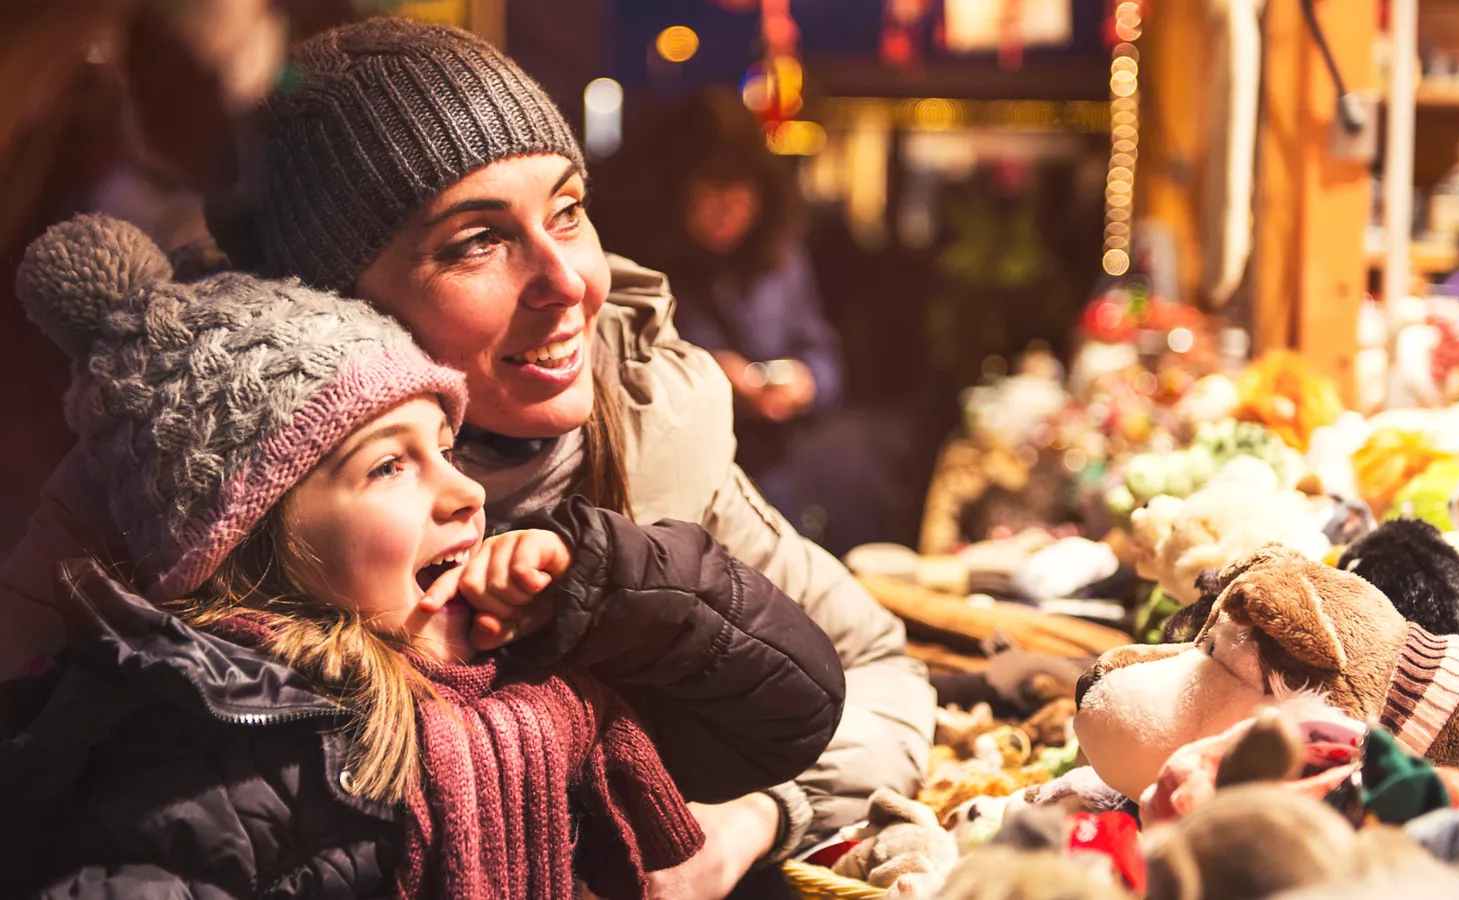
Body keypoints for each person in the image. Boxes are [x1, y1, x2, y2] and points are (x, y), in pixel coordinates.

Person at [0, 16, 934, 887]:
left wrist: (741, 828)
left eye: (567, 211)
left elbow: (878, 676)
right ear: (331, 303)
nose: (570, 282)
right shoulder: (184, 479)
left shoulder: (651, 429)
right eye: (477, 242)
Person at [0, 214, 845, 898]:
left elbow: (794, 713)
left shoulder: (520, 673)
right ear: (251, 539)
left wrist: (609, 584)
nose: (465, 492)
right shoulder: (211, 759)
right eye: (390, 465)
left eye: (445, 446)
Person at [594, 88, 846, 531]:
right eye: (715, 186)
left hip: (772, 477)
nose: (733, 205)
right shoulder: (633, 273)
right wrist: (703, 377)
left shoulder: (777, 259)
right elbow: (606, 389)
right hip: (668, 491)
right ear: (676, 189)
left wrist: (803, 383)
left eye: (745, 187)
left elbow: (823, 354)